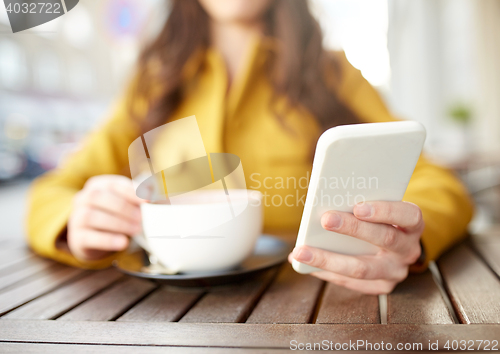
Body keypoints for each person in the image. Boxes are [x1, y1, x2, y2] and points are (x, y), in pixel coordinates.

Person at [27, 0, 473, 295]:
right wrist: (75, 221)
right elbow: (54, 191)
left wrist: (407, 238)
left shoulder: (334, 73)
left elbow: (438, 184)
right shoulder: (153, 84)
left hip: (321, 311)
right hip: (163, 321)